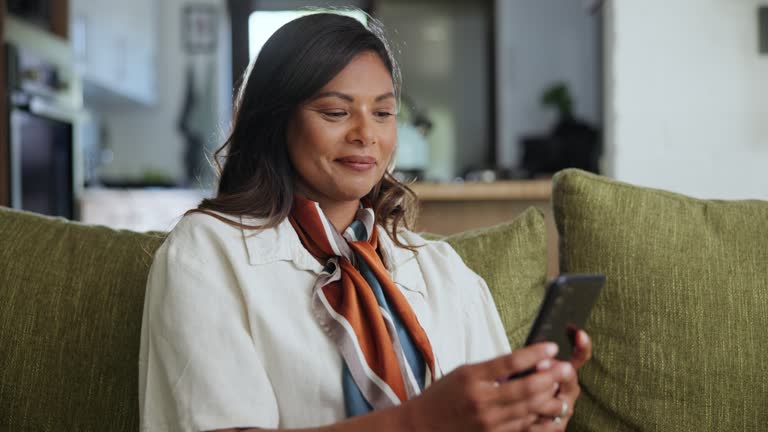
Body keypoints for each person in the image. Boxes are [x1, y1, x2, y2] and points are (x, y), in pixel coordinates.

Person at [138, 12, 592, 432]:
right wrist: (419, 421)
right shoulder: (207, 253)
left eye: (383, 113)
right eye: (335, 112)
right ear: (275, 123)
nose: (365, 134)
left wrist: (538, 412)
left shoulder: (443, 270)